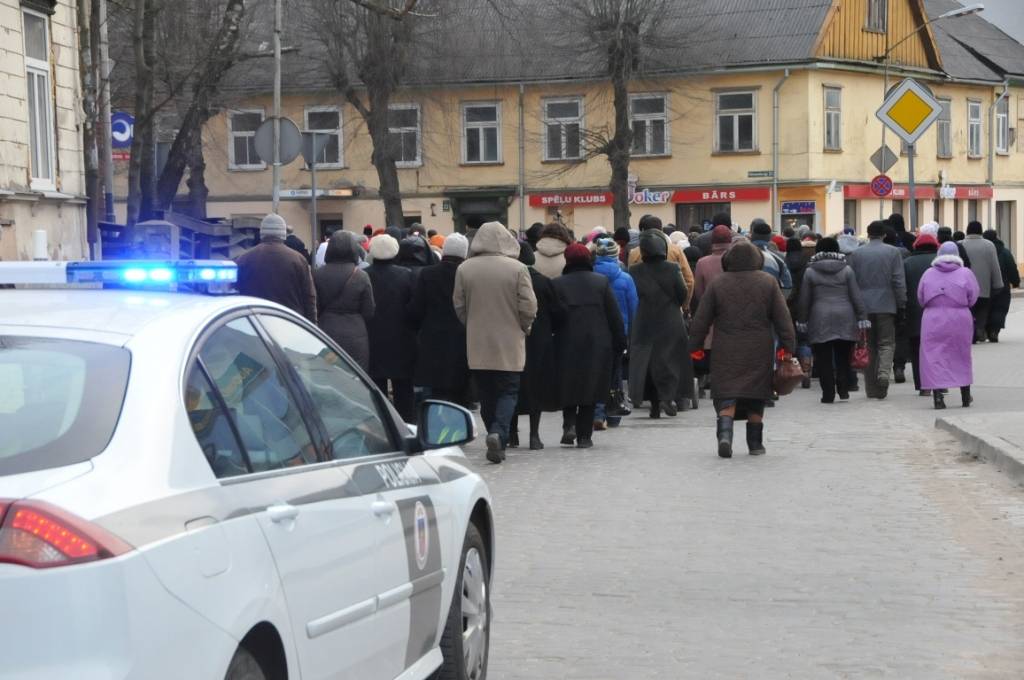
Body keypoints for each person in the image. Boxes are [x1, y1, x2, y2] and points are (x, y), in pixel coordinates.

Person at [689, 240, 796, 458]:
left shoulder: (718, 283)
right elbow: (783, 318)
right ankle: (755, 443)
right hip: (759, 347)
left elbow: (701, 319)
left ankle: (725, 436)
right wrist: (787, 346)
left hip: (725, 347)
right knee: (756, 394)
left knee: (727, 393)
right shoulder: (768, 282)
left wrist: (696, 346)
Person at [454, 222, 537, 462]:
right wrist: (524, 326)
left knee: (486, 393)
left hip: (478, 341)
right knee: (508, 391)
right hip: (509, 341)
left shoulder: (465, 268)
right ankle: (498, 433)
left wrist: (471, 325)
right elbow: (529, 305)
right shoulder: (518, 268)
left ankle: (494, 435)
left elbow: (459, 305)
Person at [551, 243, 627, 448]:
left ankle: (569, 425)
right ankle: (584, 436)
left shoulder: (557, 284)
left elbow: (552, 316)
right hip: (597, 342)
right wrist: (620, 342)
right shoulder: (600, 282)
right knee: (590, 387)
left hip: (566, 341)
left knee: (568, 384)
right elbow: (614, 315)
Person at [796, 237, 869, 403]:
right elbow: (856, 296)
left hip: (819, 316)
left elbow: (804, 299)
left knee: (823, 358)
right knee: (843, 355)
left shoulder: (810, 271)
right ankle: (843, 388)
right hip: (845, 316)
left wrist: (802, 319)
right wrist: (862, 317)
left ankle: (828, 393)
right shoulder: (847, 270)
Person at [629, 230, 690, 418]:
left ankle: (653, 404)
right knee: (669, 359)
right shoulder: (672, 268)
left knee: (646, 362)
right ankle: (668, 397)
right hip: (669, 319)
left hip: (644, 320)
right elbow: (682, 292)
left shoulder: (634, 270)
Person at [510, 243, 564, 450]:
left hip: (514, 338)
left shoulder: (510, 280)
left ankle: (512, 434)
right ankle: (534, 435)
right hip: (540, 340)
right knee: (537, 386)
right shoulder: (544, 282)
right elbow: (558, 311)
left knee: (512, 385)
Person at [847, 220, 907, 399]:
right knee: (886, 343)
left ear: (868, 233)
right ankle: (883, 373)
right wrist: (901, 303)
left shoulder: (856, 253)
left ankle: (872, 389)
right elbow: (898, 280)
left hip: (863, 306)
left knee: (868, 346)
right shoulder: (893, 252)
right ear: (884, 234)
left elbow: (852, 281)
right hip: (887, 304)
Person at [408, 233, 470, 406]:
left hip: (432, 338)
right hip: (461, 338)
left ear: (445, 251)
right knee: (458, 392)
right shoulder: (466, 275)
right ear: (464, 254)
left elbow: (416, 308)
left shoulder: (428, 273)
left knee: (435, 392)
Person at [919, 242, 980, 409]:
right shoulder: (966, 273)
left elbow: (921, 297)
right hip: (959, 318)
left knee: (933, 357)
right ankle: (965, 396)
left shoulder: (928, 273)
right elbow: (973, 296)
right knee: (961, 354)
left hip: (932, 319)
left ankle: (938, 398)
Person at [365, 234, 417, 422]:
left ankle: (381, 424)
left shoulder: (364, 274)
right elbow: (413, 308)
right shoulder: (407, 275)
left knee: (376, 388)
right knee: (404, 389)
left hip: (372, 338)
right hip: (402, 339)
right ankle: (407, 424)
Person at [236, 213, 317, 322]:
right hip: (290, 322)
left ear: (262, 233)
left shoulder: (243, 259)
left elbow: (235, 294)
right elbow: (309, 298)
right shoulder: (298, 260)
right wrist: (312, 325)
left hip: (255, 323)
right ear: (283, 234)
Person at [592, 238, 638, 430]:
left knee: (595, 372)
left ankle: (597, 412)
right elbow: (633, 309)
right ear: (616, 254)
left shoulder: (591, 276)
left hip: (594, 332)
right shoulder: (625, 278)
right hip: (619, 332)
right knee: (615, 372)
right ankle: (612, 413)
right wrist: (632, 335)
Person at [313, 231, 375, 372]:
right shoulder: (361, 276)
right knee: (356, 376)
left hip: (326, 331)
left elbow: (314, 307)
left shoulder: (317, 274)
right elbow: (369, 311)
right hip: (355, 334)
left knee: (326, 374)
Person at [628, 214, 694, 310]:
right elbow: (689, 280)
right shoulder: (676, 251)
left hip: (644, 309)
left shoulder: (634, 253)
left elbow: (631, 284)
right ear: (661, 230)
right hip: (672, 309)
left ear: (643, 231)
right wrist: (684, 305)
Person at [903, 233, 940, 395]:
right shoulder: (940, 261)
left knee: (917, 350)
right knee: (938, 350)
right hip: (938, 313)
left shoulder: (907, 263)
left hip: (914, 312)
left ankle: (923, 386)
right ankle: (940, 383)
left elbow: (902, 287)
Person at [960, 221, 1004, 343]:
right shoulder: (989, 245)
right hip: (983, 287)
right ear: (981, 231)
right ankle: (979, 329)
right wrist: (998, 284)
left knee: (968, 310)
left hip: (964, 287)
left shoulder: (960, 244)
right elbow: (994, 266)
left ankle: (970, 332)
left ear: (967, 230)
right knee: (982, 310)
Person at [983, 229, 1020, 342]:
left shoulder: (982, 251)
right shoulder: (1005, 252)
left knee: (985, 308)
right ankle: (994, 330)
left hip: (984, 285)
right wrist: (1015, 281)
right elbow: (1011, 267)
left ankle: (985, 330)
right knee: (1000, 308)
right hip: (1002, 286)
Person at [749, 219, 794, 297]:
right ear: (769, 237)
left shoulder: (738, 255)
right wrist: (777, 301)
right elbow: (787, 285)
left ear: (751, 235)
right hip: (769, 300)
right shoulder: (779, 258)